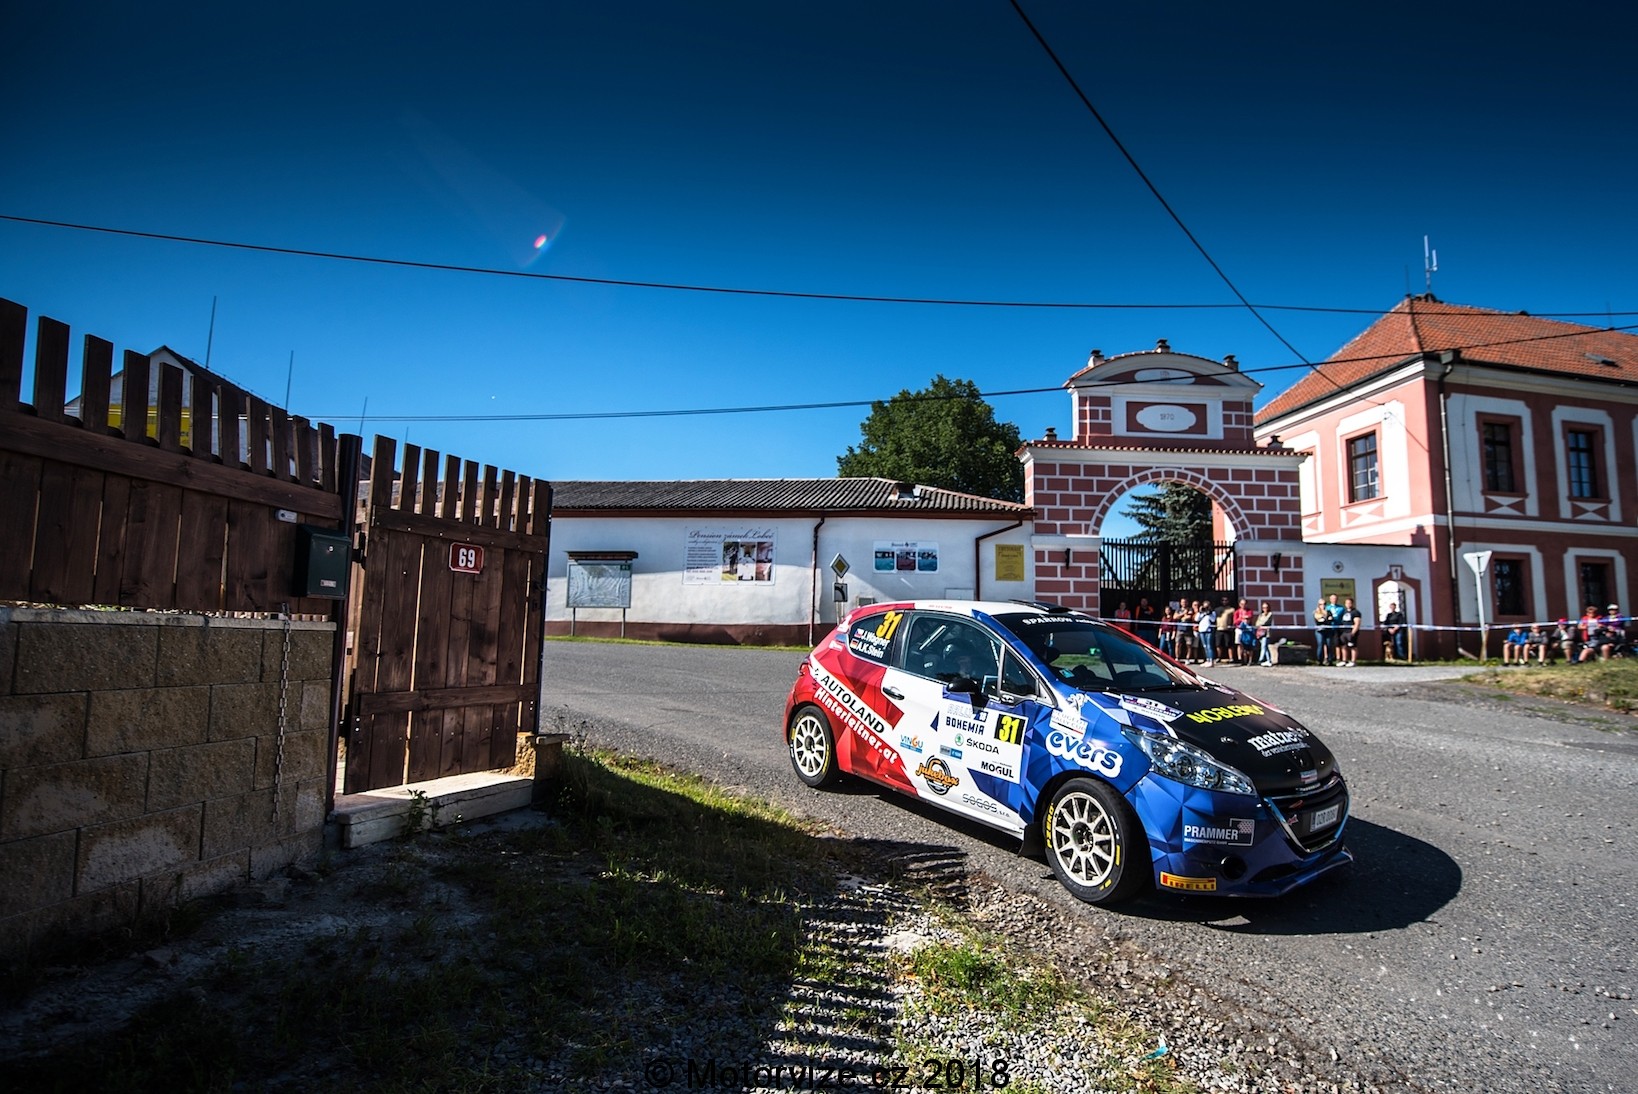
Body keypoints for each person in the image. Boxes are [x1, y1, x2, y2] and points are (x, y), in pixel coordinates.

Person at [1337, 596, 1362, 666]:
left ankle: (1353, 661)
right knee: (1343, 646)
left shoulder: (1356, 612)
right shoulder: (1344, 612)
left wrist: (1353, 632)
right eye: (1347, 603)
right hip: (1343, 632)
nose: (1348, 604)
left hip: (1351, 632)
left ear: (1352, 604)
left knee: (1352, 646)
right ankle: (1344, 660)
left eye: (1349, 603)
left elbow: (1357, 623)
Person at [1232, 597, 1254, 665]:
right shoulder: (1237, 612)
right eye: (1242, 604)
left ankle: (1248, 660)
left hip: (1247, 630)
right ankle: (1240, 659)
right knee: (1239, 644)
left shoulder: (1249, 611)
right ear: (1239, 604)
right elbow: (1235, 622)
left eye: (1244, 604)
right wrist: (1241, 618)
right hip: (1239, 629)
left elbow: (1250, 617)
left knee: (1248, 645)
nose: (1243, 605)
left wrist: (1246, 618)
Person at [1312, 597, 1333, 665]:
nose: (1323, 605)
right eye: (1321, 604)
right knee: (1320, 644)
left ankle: (1329, 660)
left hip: (1328, 631)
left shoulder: (1329, 612)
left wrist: (1326, 619)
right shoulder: (1316, 612)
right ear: (1318, 605)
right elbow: (1319, 620)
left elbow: (1330, 620)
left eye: (1324, 604)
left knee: (1329, 645)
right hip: (1319, 631)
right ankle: (1319, 660)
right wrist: (1326, 619)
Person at [1215, 598, 1235, 664]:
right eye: (1223, 600)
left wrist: (1232, 626)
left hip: (1227, 629)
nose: (1224, 601)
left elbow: (1234, 618)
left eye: (1226, 600)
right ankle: (1219, 657)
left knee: (1229, 644)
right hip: (1219, 629)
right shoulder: (1217, 609)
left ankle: (1231, 658)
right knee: (1218, 644)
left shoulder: (1231, 609)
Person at [1197, 601, 1217, 667]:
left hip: (1208, 630)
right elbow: (1196, 619)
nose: (1205, 608)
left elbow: (1213, 620)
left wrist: (1209, 613)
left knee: (1209, 646)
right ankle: (1207, 660)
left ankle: (1211, 661)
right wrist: (1200, 612)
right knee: (1205, 646)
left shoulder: (1212, 613)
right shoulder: (1202, 612)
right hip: (1201, 630)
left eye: (1207, 606)